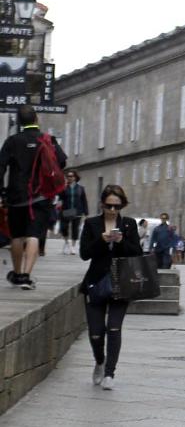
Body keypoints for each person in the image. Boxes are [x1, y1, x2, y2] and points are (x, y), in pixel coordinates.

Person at [79, 185, 142, 390]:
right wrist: (101, 240)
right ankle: (99, 361)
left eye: (117, 206)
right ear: (102, 204)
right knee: (96, 333)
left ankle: (110, 373)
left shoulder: (129, 224)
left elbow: (137, 253)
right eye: (109, 206)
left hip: (121, 283)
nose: (113, 210)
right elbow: (84, 253)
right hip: (95, 282)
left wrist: (122, 240)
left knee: (114, 328)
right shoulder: (91, 224)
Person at [0, 105, 67, 290]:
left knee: (17, 236)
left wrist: (2, 191)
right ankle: (27, 276)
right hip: (41, 195)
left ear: (20, 121)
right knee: (34, 235)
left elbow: (1, 166)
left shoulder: (12, 141)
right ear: (36, 118)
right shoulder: (48, 139)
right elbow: (61, 161)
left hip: (16, 196)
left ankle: (16, 273)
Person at [58, 169, 87, 254]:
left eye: (71, 176)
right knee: (63, 227)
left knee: (75, 229)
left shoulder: (81, 189)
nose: (69, 178)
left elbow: (84, 201)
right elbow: (60, 198)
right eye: (68, 176)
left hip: (77, 211)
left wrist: (86, 213)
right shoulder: (64, 188)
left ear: (75, 177)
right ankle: (67, 242)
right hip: (66, 210)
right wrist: (58, 202)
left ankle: (73, 247)